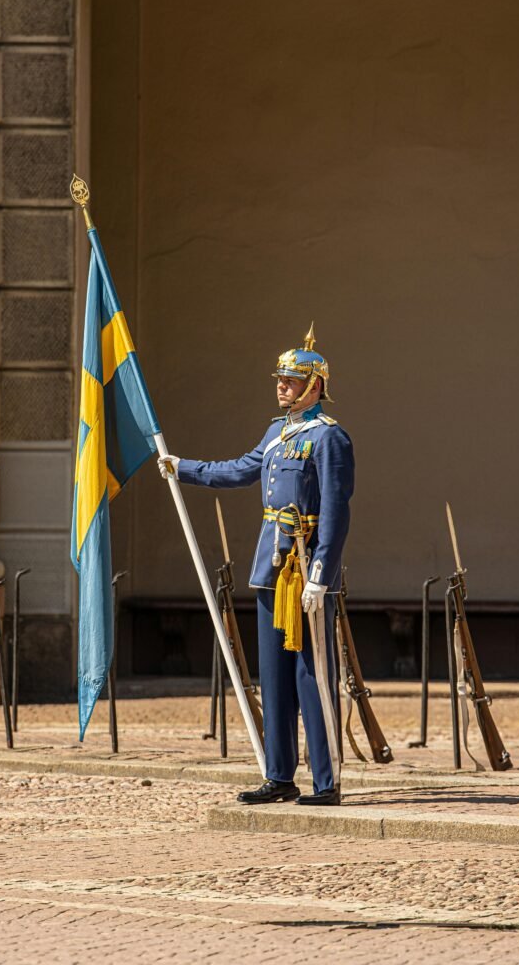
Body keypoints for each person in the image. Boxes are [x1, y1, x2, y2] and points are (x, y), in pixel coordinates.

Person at [158, 325, 354, 805]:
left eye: (290, 380)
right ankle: (280, 775)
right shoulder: (277, 432)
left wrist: (321, 575)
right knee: (275, 675)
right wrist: (184, 468)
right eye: (280, 379)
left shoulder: (330, 439)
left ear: (314, 385)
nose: (281, 386)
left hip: (305, 569)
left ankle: (325, 783)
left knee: (312, 677)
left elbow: (335, 511)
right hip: (272, 566)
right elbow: (239, 470)